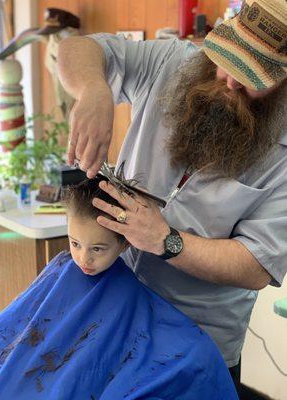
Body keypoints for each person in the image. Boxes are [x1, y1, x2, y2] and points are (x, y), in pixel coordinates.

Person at [57, 0, 287, 392]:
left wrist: (167, 241)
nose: (230, 81)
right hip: (115, 312)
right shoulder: (172, 63)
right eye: (228, 61)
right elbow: (77, 49)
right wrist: (93, 88)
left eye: (252, 76)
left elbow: (256, 265)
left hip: (197, 344)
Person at [0, 176, 238, 399]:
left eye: (97, 248)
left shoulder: (127, 295)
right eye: (75, 243)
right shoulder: (62, 270)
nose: (84, 259)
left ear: (125, 244)